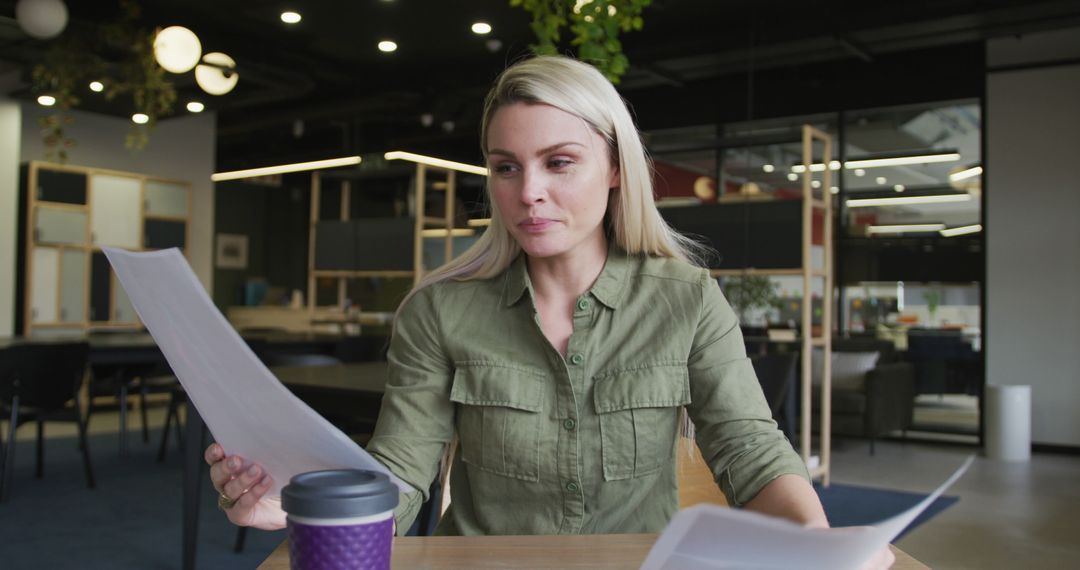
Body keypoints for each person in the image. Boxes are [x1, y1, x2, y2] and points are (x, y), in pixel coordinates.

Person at [206, 55, 893, 568]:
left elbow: (750, 448)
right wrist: (297, 510)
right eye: (506, 167)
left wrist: (818, 545)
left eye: (559, 162)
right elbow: (403, 478)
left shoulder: (685, 298)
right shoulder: (441, 311)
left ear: (616, 167)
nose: (527, 191)